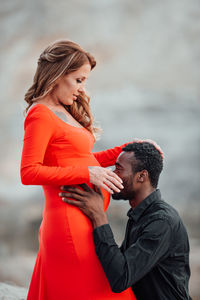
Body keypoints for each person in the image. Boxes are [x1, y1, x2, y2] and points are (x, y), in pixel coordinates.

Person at [20, 40, 136, 300]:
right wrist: (88, 174)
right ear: (58, 75)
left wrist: (129, 148)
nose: (82, 89)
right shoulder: (40, 114)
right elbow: (29, 172)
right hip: (68, 222)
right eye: (79, 80)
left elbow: (79, 158)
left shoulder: (62, 110)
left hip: (84, 219)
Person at [60, 141, 192, 300]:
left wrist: (99, 216)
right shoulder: (140, 214)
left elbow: (120, 278)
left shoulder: (162, 221)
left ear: (142, 176)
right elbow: (116, 265)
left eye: (118, 169)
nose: (111, 174)